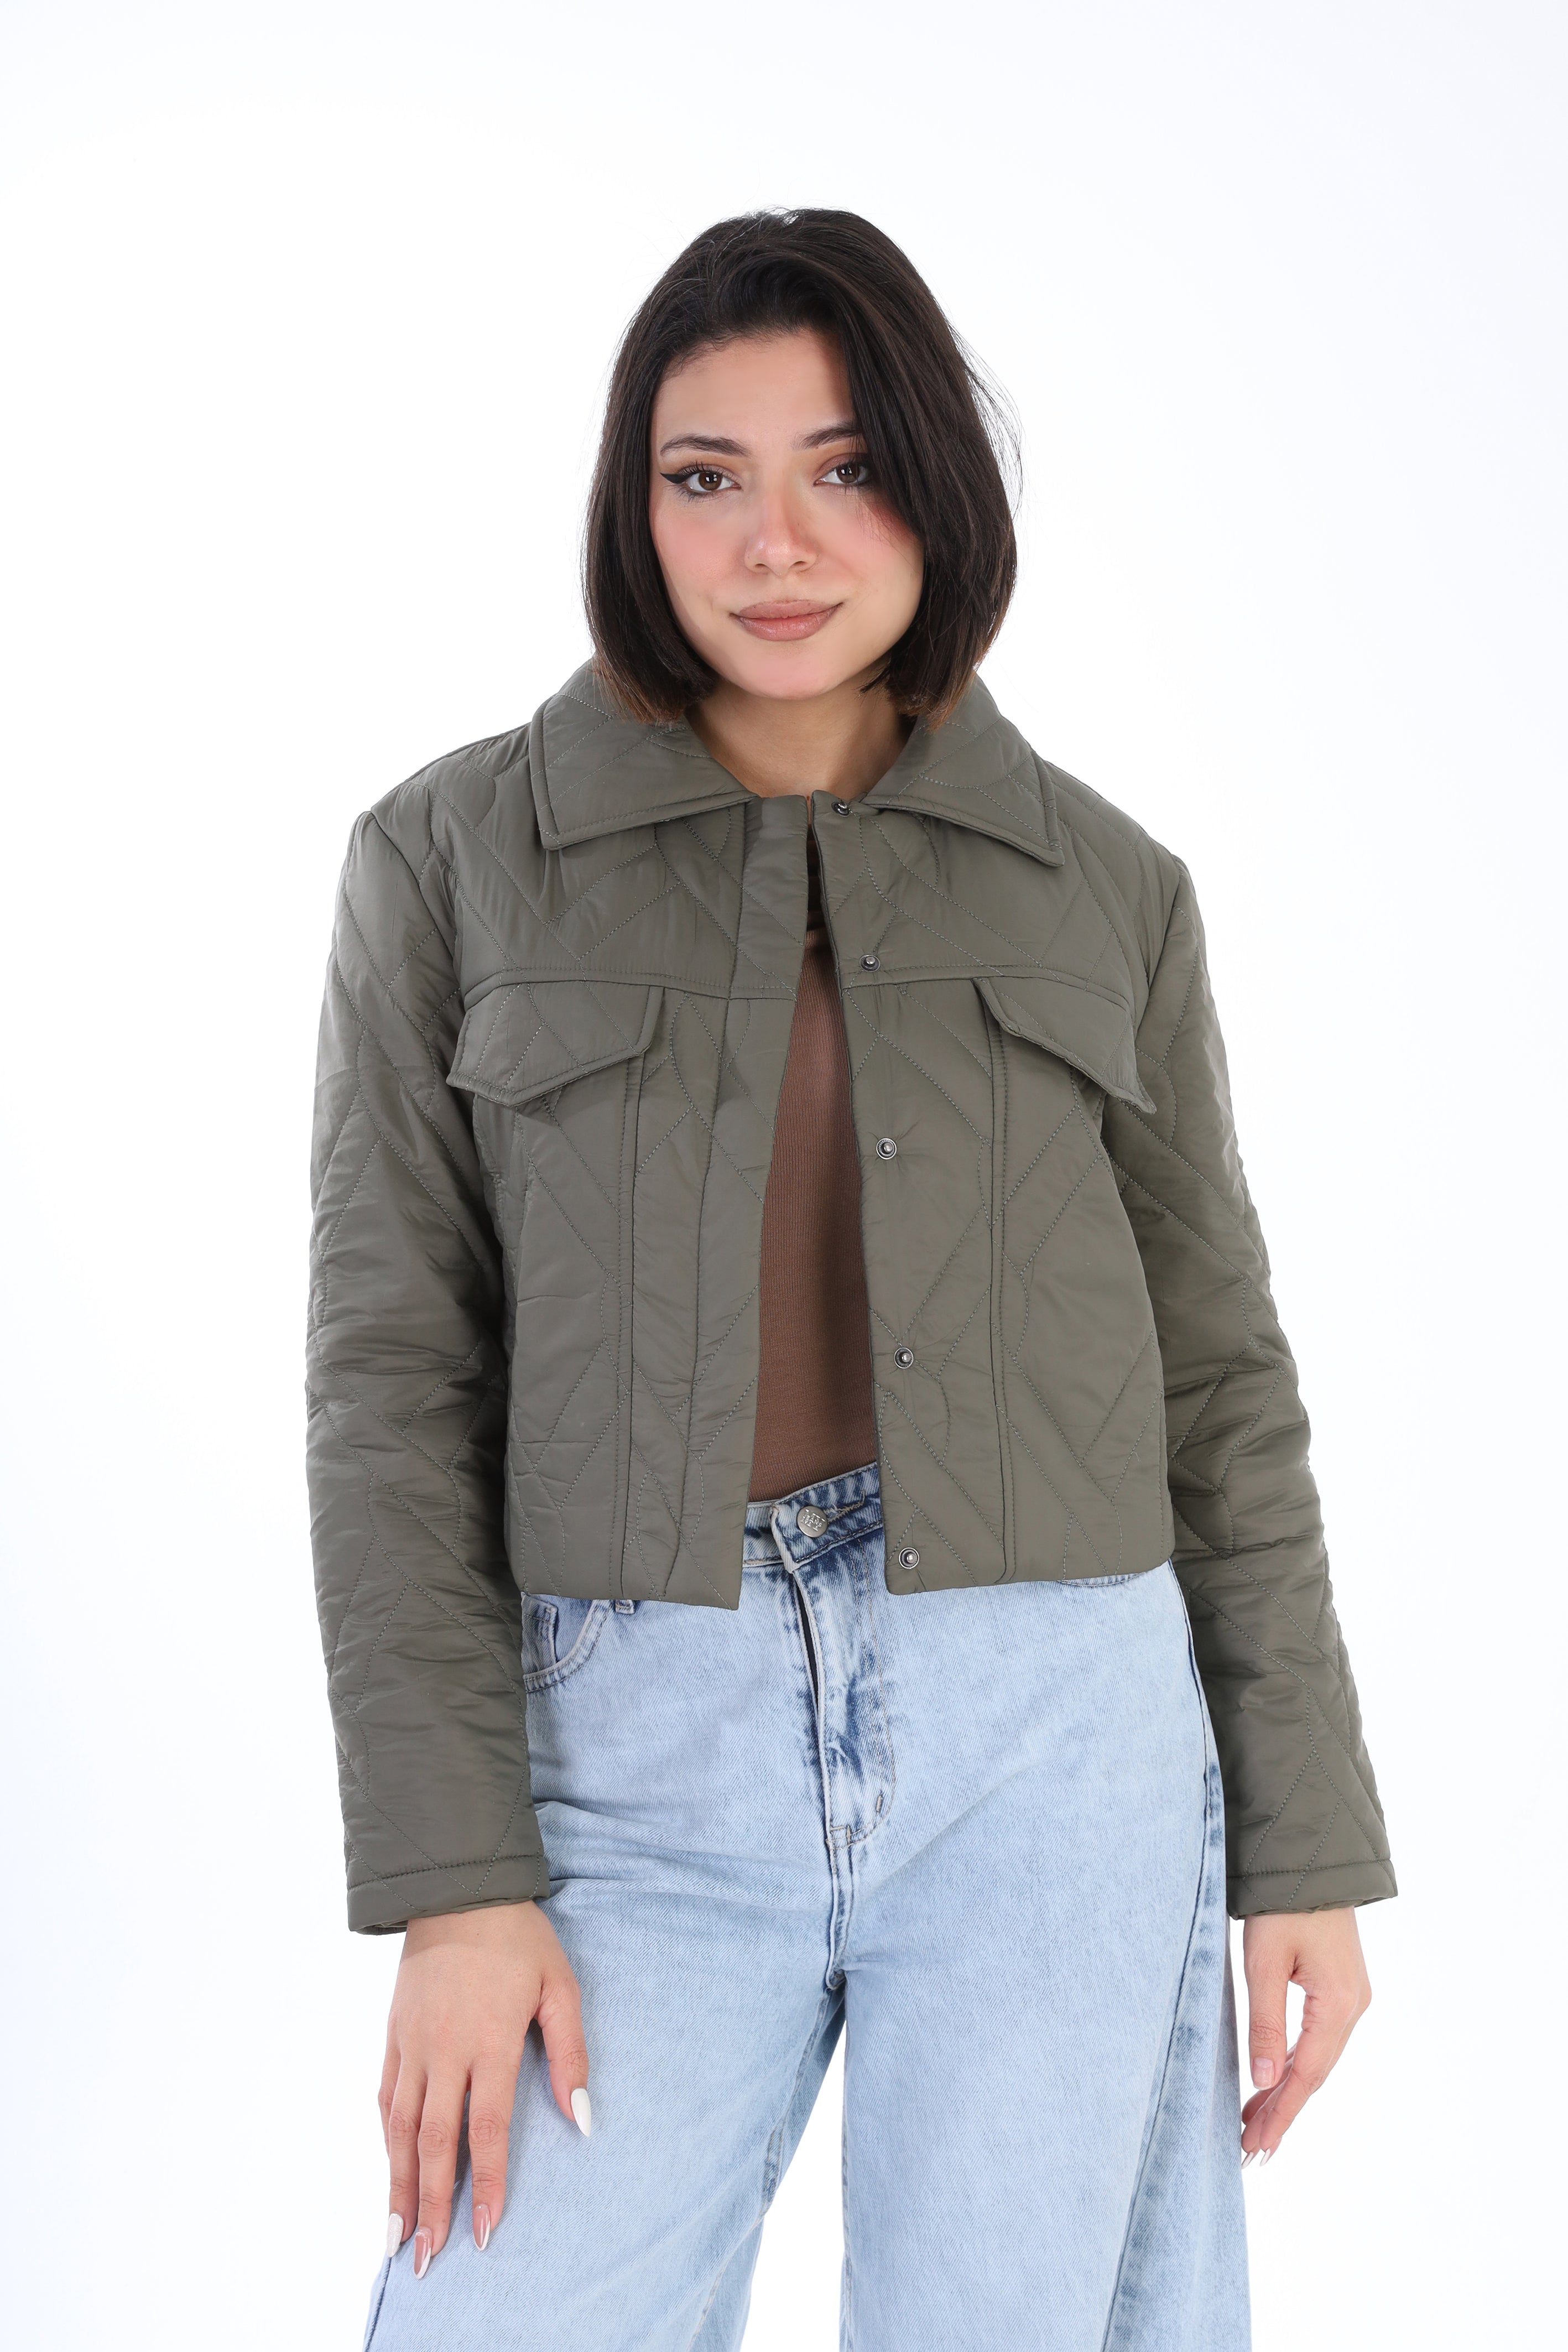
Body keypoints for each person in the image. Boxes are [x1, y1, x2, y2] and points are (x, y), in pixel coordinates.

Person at [306, 209, 1395, 2352]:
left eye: (845, 466)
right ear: (633, 509)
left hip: (1056, 1734)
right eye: (703, 475)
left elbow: (1216, 1379)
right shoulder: (448, 857)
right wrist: (454, 1879)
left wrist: (1305, 1840)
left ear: (937, 486)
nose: (774, 542)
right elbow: (390, 1384)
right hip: (630, 1747)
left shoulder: (1106, 885)